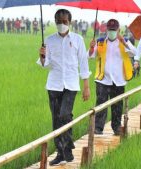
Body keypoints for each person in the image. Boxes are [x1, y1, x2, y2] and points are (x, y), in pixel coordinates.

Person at [37, 9, 91, 166]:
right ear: (55, 22)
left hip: (71, 84)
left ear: (70, 22)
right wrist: (42, 56)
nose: (62, 24)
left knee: (65, 115)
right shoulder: (49, 40)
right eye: (59, 22)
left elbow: (83, 62)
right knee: (56, 120)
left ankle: (67, 147)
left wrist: (86, 86)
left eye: (65, 21)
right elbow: (45, 64)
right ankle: (61, 153)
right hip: (54, 85)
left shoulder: (77, 39)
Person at [89, 19, 135, 135]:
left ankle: (116, 127)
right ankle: (98, 128)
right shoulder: (100, 42)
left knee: (117, 105)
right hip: (103, 79)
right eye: (110, 30)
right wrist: (91, 48)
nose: (112, 32)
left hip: (119, 80)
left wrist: (125, 42)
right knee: (101, 104)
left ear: (119, 30)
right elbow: (90, 56)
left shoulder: (124, 43)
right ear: (106, 30)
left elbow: (135, 52)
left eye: (114, 30)